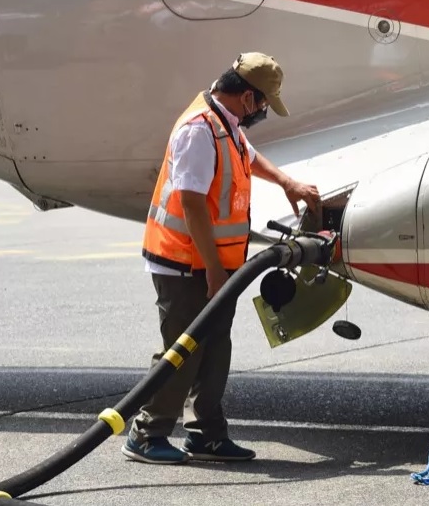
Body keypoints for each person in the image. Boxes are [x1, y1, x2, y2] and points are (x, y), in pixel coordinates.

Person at [123, 52, 321, 465]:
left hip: (215, 263)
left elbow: (247, 154)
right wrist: (214, 270)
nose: (262, 112)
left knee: (215, 348)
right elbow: (192, 204)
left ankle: (206, 435)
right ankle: (147, 433)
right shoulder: (198, 131)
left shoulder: (225, 123)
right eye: (263, 104)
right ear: (247, 97)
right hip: (184, 263)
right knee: (183, 349)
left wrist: (286, 182)